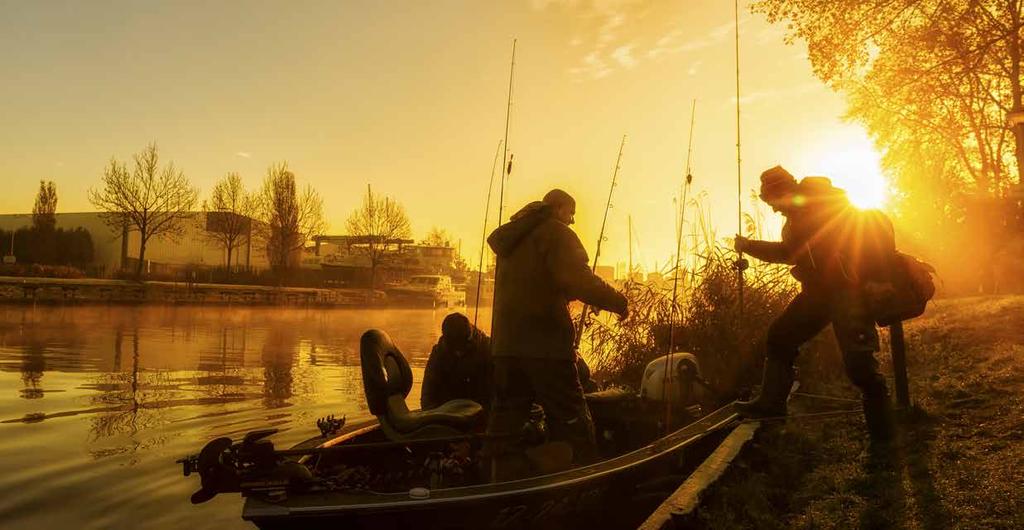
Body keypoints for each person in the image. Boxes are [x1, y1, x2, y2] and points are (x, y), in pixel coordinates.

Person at [734, 166, 894, 442]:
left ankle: (884, 438)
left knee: (860, 366)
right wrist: (749, 246)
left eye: (772, 202)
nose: (772, 209)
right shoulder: (797, 215)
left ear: (781, 192)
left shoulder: (816, 205)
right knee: (780, 336)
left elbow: (791, 251)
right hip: (818, 295)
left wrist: (750, 246)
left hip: (848, 294)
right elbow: (791, 252)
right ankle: (771, 403)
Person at [485, 189, 628, 480]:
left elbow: (535, 284)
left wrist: (563, 295)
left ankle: (494, 480)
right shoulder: (555, 233)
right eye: (571, 214)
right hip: (545, 347)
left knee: (505, 421)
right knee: (571, 415)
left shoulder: (514, 237)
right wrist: (618, 302)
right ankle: (587, 480)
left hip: (506, 346)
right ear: (559, 208)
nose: (572, 221)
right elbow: (579, 279)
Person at [420, 312, 492, 411]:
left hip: (478, 413)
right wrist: (431, 415)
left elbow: (494, 393)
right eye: (454, 348)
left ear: (470, 339)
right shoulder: (438, 352)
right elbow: (428, 393)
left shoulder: (486, 349)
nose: (459, 353)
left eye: (463, 347)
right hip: (445, 412)